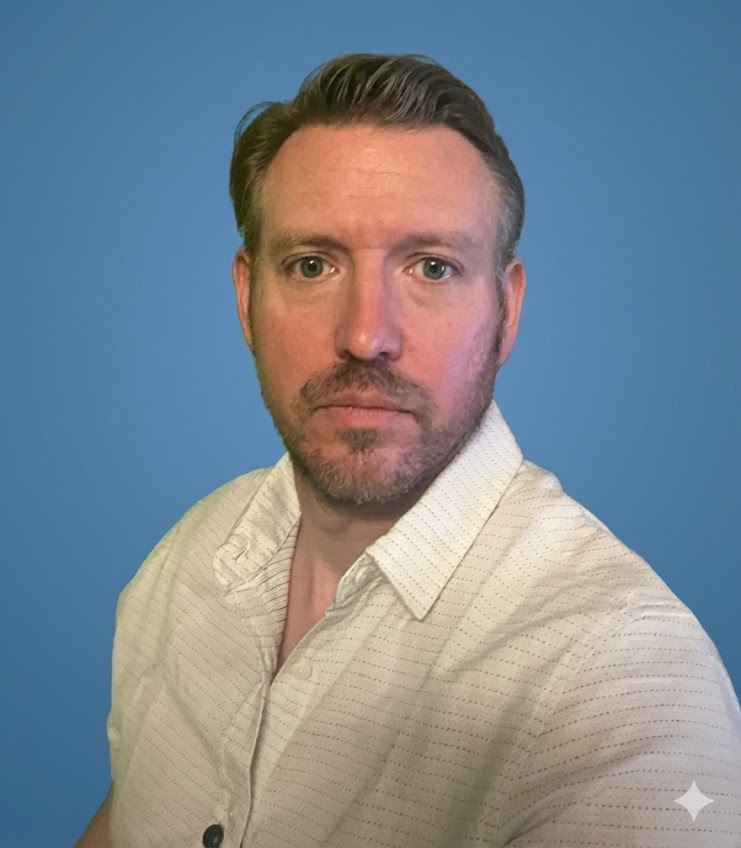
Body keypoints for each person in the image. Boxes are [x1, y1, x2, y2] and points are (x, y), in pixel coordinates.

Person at [74, 53, 741, 848]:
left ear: (506, 310)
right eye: (312, 265)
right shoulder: (182, 561)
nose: (366, 335)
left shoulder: (622, 679)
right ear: (248, 297)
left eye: (431, 267)